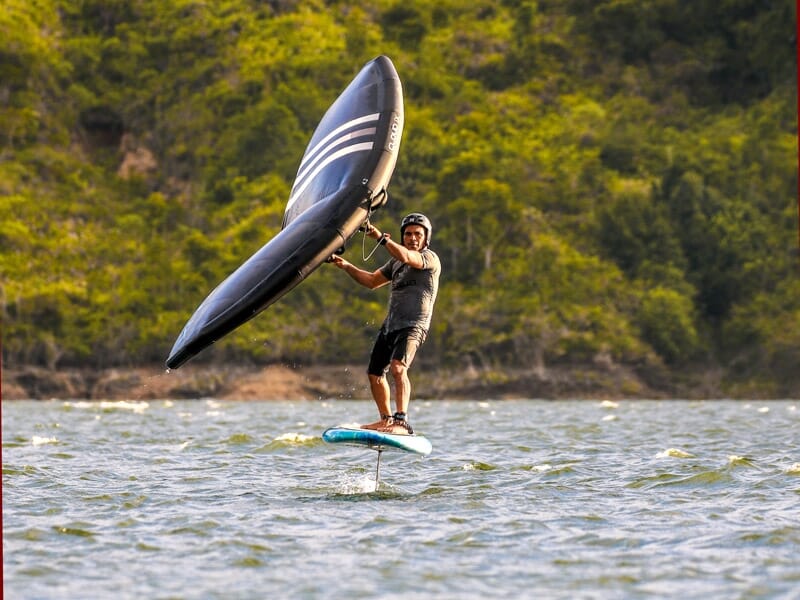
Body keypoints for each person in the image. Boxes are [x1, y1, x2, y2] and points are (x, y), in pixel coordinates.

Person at [328, 213, 441, 435]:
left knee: (399, 368)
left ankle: (401, 421)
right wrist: (345, 265)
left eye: (418, 234)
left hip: (413, 325)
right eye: (408, 234)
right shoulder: (396, 261)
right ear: (403, 236)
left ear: (426, 238)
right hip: (391, 325)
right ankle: (386, 420)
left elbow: (410, 258)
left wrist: (379, 237)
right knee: (375, 374)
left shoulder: (430, 258)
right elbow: (371, 281)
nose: (412, 238)